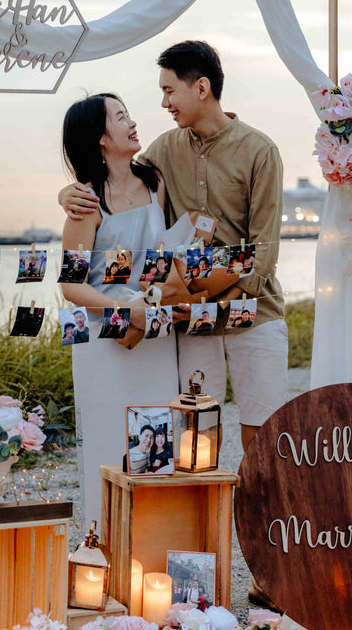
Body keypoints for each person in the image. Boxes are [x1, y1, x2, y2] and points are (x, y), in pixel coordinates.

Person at [60, 41, 289, 612]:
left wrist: (183, 298)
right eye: (124, 116)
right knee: (188, 452)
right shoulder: (159, 157)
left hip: (240, 318)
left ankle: (270, 574)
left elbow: (260, 254)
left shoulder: (256, 151)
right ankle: (168, 574)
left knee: (264, 448)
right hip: (162, 334)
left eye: (166, 91)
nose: (153, 107)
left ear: (200, 88)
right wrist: (68, 192)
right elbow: (74, 272)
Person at [59, 92, 182, 528]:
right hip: (104, 340)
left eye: (129, 114)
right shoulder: (86, 202)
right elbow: (71, 286)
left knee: (158, 440)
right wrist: (124, 311)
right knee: (109, 444)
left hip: (155, 335)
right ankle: (103, 549)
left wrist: (160, 296)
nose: (132, 123)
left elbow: (163, 254)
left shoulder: (155, 183)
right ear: (99, 138)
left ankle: (154, 546)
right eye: (120, 117)